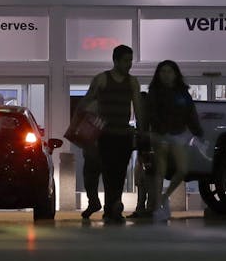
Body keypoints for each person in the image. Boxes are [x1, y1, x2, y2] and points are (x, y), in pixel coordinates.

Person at [80, 44, 146, 223]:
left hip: (122, 133)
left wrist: (141, 130)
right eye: (126, 61)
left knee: (118, 173)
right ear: (115, 60)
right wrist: (86, 125)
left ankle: (113, 207)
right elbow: (86, 102)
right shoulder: (102, 79)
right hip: (103, 134)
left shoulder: (132, 81)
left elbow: (138, 107)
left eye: (131, 60)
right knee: (101, 171)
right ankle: (106, 204)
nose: (129, 64)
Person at [146, 59, 203, 221]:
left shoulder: (182, 92)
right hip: (159, 134)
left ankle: (164, 197)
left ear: (176, 74)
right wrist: (158, 129)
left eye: (169, 71)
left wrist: (196, 131)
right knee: (160, 170)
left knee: (183, 169)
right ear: (158, 74)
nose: (166, 75)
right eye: (162, 72)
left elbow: (190, 113)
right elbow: (151, 113)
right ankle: (158, 206)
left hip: (178, 133)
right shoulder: (155, 92)